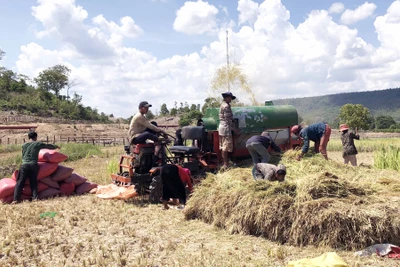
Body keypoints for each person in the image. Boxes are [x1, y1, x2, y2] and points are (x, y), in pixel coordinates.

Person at [13, 131, 59, 203]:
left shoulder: (24, 145)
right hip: (33, 165)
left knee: (20, 182)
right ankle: (35, 198)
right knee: (33, 182)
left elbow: (23, 154)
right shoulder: (37, 144)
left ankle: (16, 199)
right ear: (36, 137)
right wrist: (56, 146)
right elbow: (48, 146)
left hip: (24, 165)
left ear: (28, 137)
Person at [218, 92, 238, 170]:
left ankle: (226, 163)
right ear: (226, 98)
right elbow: (228, 120)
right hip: (226, 128)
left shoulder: (223, 105)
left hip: (222, 127)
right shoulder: (226, 106)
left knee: (224, 146)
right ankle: (226, 164)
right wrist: (235, 129)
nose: (230, 100)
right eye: (230, 98)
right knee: (225, 147)